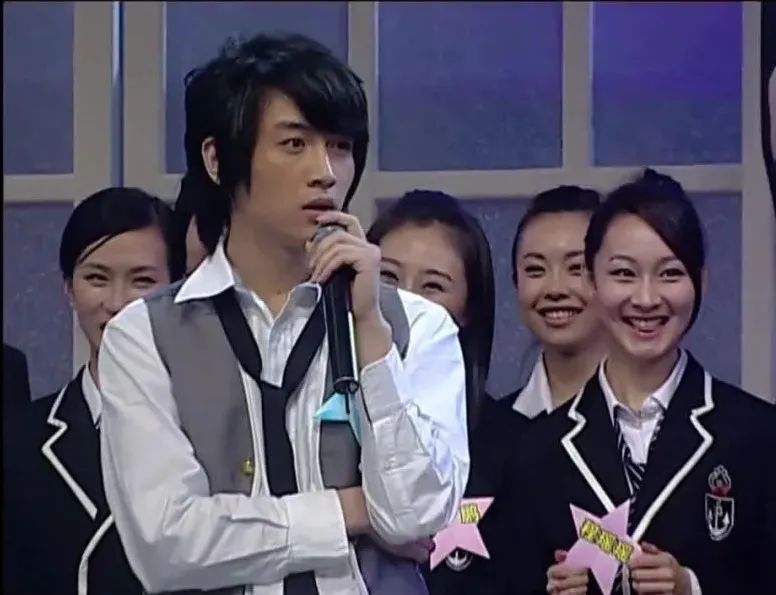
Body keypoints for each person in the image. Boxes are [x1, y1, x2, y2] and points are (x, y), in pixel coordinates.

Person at [97, 33, 469, 595]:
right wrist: (349, 510)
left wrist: (371, 331)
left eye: (339, 147)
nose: (325, 172)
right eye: (294, 144)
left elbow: (416, 516)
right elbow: (167, 544)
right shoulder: (144, 334)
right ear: (217, 159)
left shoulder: (416, 324)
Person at [506, 169, 776, 595]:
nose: (646, 298)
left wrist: (693, 587)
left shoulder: (758, 436)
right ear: (593, 281)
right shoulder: (535, 451)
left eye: (670, 274)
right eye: (624, 274)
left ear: (701, 282)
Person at [5, 187, 178, 595]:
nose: (116, 303)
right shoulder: (18, 442)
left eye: (142, 281)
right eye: (96, 278)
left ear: (177, 290)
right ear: (68, 288)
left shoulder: (217, 433)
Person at [367, 190, 526, 595]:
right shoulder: (315, 416)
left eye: (433, 286)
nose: (405, 301)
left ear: (468, 308)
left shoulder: (514, 446)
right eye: (387, 279)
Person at [504, 186, 607, 419]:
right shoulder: (487, 428)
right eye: (535, 269)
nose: (555, 289)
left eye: (577, 267)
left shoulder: (650, 420)